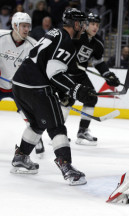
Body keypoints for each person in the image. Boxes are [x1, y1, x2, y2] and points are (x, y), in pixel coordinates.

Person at [10, 8, 95, 186]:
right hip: (37, 87)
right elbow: (54, 74)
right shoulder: (65, 41)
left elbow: (59, 66)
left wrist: (72, 86)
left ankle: (21, 157)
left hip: (19, 84)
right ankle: (67, 168)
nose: (84, 27)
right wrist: (76, 90)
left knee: (36, 124)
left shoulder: (55, 33)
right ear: (76, 24)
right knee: (56, 126)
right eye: (82, 24)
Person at [65, 12, 120, 146]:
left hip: (80, 75)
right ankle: (59, 132)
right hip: (65, 73)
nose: (95, 27)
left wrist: (107, 74)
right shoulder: (76, 36)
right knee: (67, 100)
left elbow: (98, 63)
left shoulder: (97, 43)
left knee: (91, 97)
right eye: (93, 24)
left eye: (97, 24)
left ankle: (82, 131)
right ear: (86, 24)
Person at [0, 12, 45, 156]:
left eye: (28, 26)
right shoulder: (1, 39)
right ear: (14, 26)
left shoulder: (33, 45)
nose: (26, 29)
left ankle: (34, 139)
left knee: (28, 116)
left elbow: (37, 70)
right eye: (23, 26)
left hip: (18, 87)